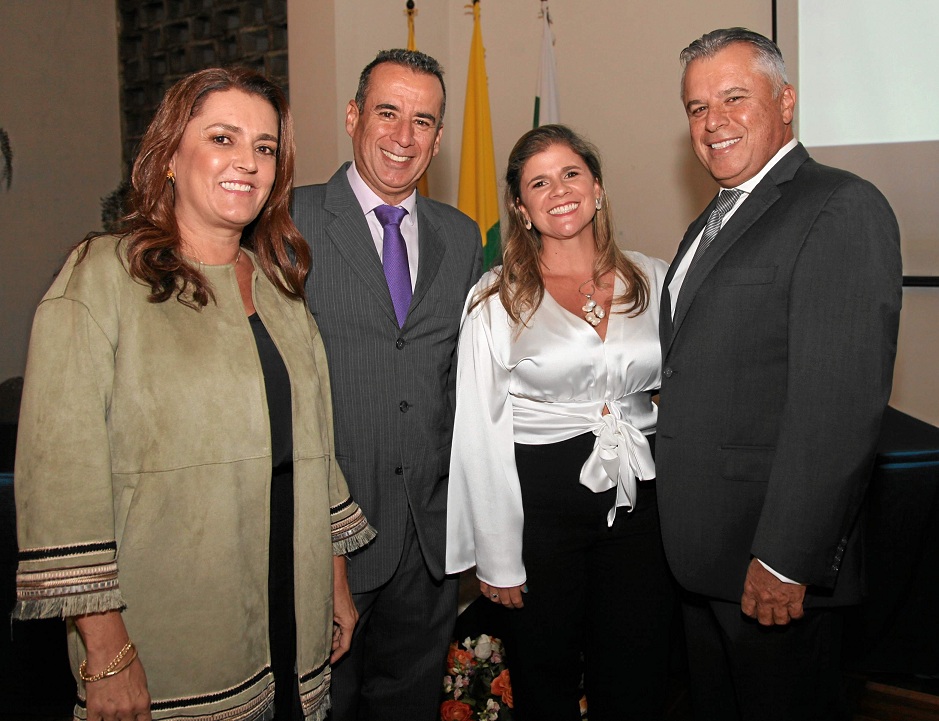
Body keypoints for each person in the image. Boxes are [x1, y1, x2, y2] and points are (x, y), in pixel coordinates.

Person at [12, 67, 375, 721]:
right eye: (222, 138)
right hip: (170, 638)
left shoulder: (280, 289)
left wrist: (335, 580)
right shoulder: (102, 278)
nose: (248, 162)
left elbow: (316, 452)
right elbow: (60, 481)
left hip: (293, 616)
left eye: (265, 147)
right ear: (169, 157)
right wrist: (107, 651)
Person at [657, 28, 903, 720]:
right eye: (697, 107)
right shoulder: (712, 219)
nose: (713, 121)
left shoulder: (839, 206)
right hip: (703, 560)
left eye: (734, 97)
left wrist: (786, 557)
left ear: (786, 101)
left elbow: (837, 405)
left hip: (768, 568)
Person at [446, 124, 675, 720]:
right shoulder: (496, 300)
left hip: (642, 502)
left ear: (597, 187)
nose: (560, 190)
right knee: (544, 677)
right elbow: (478, 431)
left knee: (637, 672)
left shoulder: (655, 279)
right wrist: (497, 556)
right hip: (540, 508)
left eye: (571, 173)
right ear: (521, 209)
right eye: (539, 183)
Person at [291, 49, 482, 721]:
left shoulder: (461, 237)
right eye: (387, 113)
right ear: (353, 117)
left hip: (426, 544)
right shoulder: (289, 220)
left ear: (439, 136)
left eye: (422, 121)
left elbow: (460, 384)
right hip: (326, 542)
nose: (404, 136)